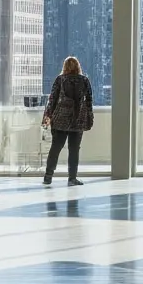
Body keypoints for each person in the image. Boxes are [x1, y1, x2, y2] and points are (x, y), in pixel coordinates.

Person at [42, 55, 93, 186]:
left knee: (55, 148)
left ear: (64, 67)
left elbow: (52, 100)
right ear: (78, 66)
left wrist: (47, 116)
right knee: (74, 149)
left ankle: (48, 176)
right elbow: (89, 102)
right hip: (78, 120)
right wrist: (89, 118)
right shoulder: (85, 80)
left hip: (60, 119)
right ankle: (72, 178)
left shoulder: (60, 80)